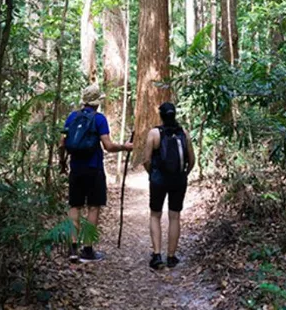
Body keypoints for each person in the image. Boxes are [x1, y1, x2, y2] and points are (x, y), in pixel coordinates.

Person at [60, 83, 133, 263]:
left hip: (76, 168)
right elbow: (108, 146)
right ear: (97, 102)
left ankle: (73, 249)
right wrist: (124, 147)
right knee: (93, 206)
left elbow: (62, 143)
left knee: (75, 206)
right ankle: (87, 249)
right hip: (94, 168)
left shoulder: (72, 117)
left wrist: (62, 163)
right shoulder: (99, 119)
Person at [142, 102, 195, 269]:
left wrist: (152, 174)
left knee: (155, 215)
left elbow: (146, 160)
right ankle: (171, 257)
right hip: (178, 179)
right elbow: (192, 159)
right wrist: (184, 174)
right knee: (174, 216)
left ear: (161, 116)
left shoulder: (154, 133)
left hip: (159, 179)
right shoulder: (183, 133)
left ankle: (157, 255)